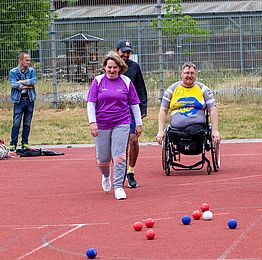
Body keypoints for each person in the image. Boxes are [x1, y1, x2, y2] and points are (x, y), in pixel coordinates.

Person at [86, 51, 142, 200]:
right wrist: (93, 123)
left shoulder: (126, 82)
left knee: (119, 157)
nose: (112, 70)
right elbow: (91, 103)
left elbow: (134, 104)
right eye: (109, 67)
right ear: (104, 67)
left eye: (115, 67)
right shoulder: (98, 81)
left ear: (120, 68)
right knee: (103, 159)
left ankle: (118, 186)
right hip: (102, 123)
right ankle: (105, 175)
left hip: (122, 122)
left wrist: (139, 124)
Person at [156, 62, 221, 146]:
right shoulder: (171, 90)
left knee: (196, 131)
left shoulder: (204, 89)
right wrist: (160, 131)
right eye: (186, 73)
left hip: (197, 130)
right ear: (181, 74)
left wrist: (215, 130)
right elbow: (163, 110)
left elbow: (212, 109)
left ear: (195, 74)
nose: (189, 76)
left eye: (192, 73)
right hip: (176, 130)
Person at [115, 40, 148, 188]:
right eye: (123, 52)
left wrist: (142, 109)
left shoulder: (134, 68)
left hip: (132, 109)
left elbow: (141, 88)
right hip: (115, 110)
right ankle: (118, 171)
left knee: (133, 140)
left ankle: (130, 171)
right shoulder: (110, 67)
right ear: (117, 51)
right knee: (118, 144)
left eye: (128, 52)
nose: (126, 55)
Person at [9, 52, 37, 152]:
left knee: (27, 123)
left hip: (29, 99)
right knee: (16, 123)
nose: (29, 62)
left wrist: (20, 82)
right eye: (26, 60)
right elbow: (13, 85)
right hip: (18, 100)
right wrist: (26, 85)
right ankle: (13, 144)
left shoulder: (32, 71)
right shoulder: (13, 72)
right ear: (20, 60)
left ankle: (25, 143)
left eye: (29, 60)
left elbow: (33, 82)